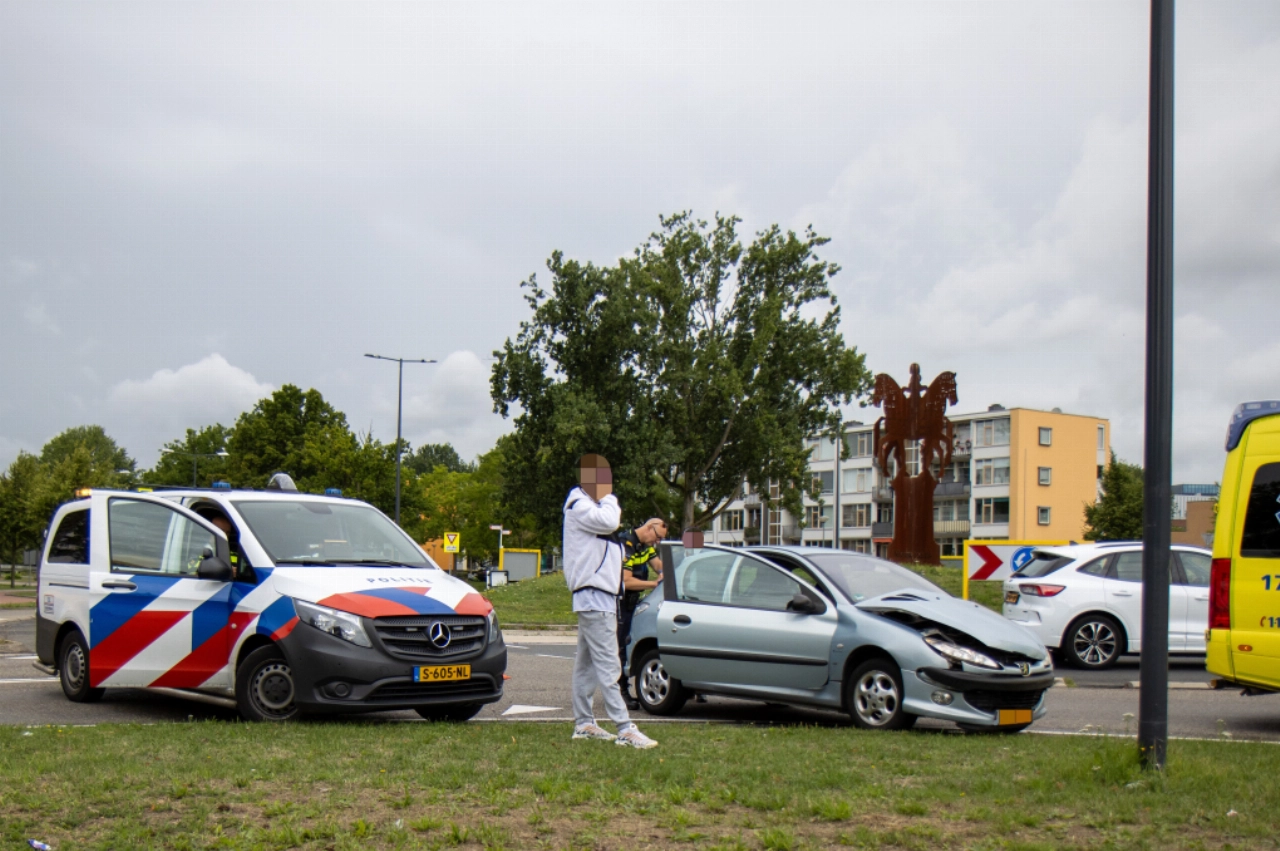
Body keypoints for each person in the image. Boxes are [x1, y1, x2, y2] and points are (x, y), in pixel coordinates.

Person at [562, 454, 658, 749]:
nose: (608, 486)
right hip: (594, 595)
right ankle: (625, 728)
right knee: (608, 664)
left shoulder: (584, 506)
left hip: (596, 595)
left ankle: (584, 723)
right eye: (604, 481)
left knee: (587, 664)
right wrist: (611, 498)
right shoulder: (581, 506)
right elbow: (610, 520)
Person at [616, 517, 667, 709]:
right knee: (619, 648)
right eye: (658, 537)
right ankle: (620, 692)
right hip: (619, 604)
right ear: (649, 528)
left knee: (627, 646)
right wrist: (654, 584)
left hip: (633, 604)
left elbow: (658, 565)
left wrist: (666, 572)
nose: (657, 542)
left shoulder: (645, 547)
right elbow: (626, 581)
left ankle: (619, 689)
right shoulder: (626, 544)